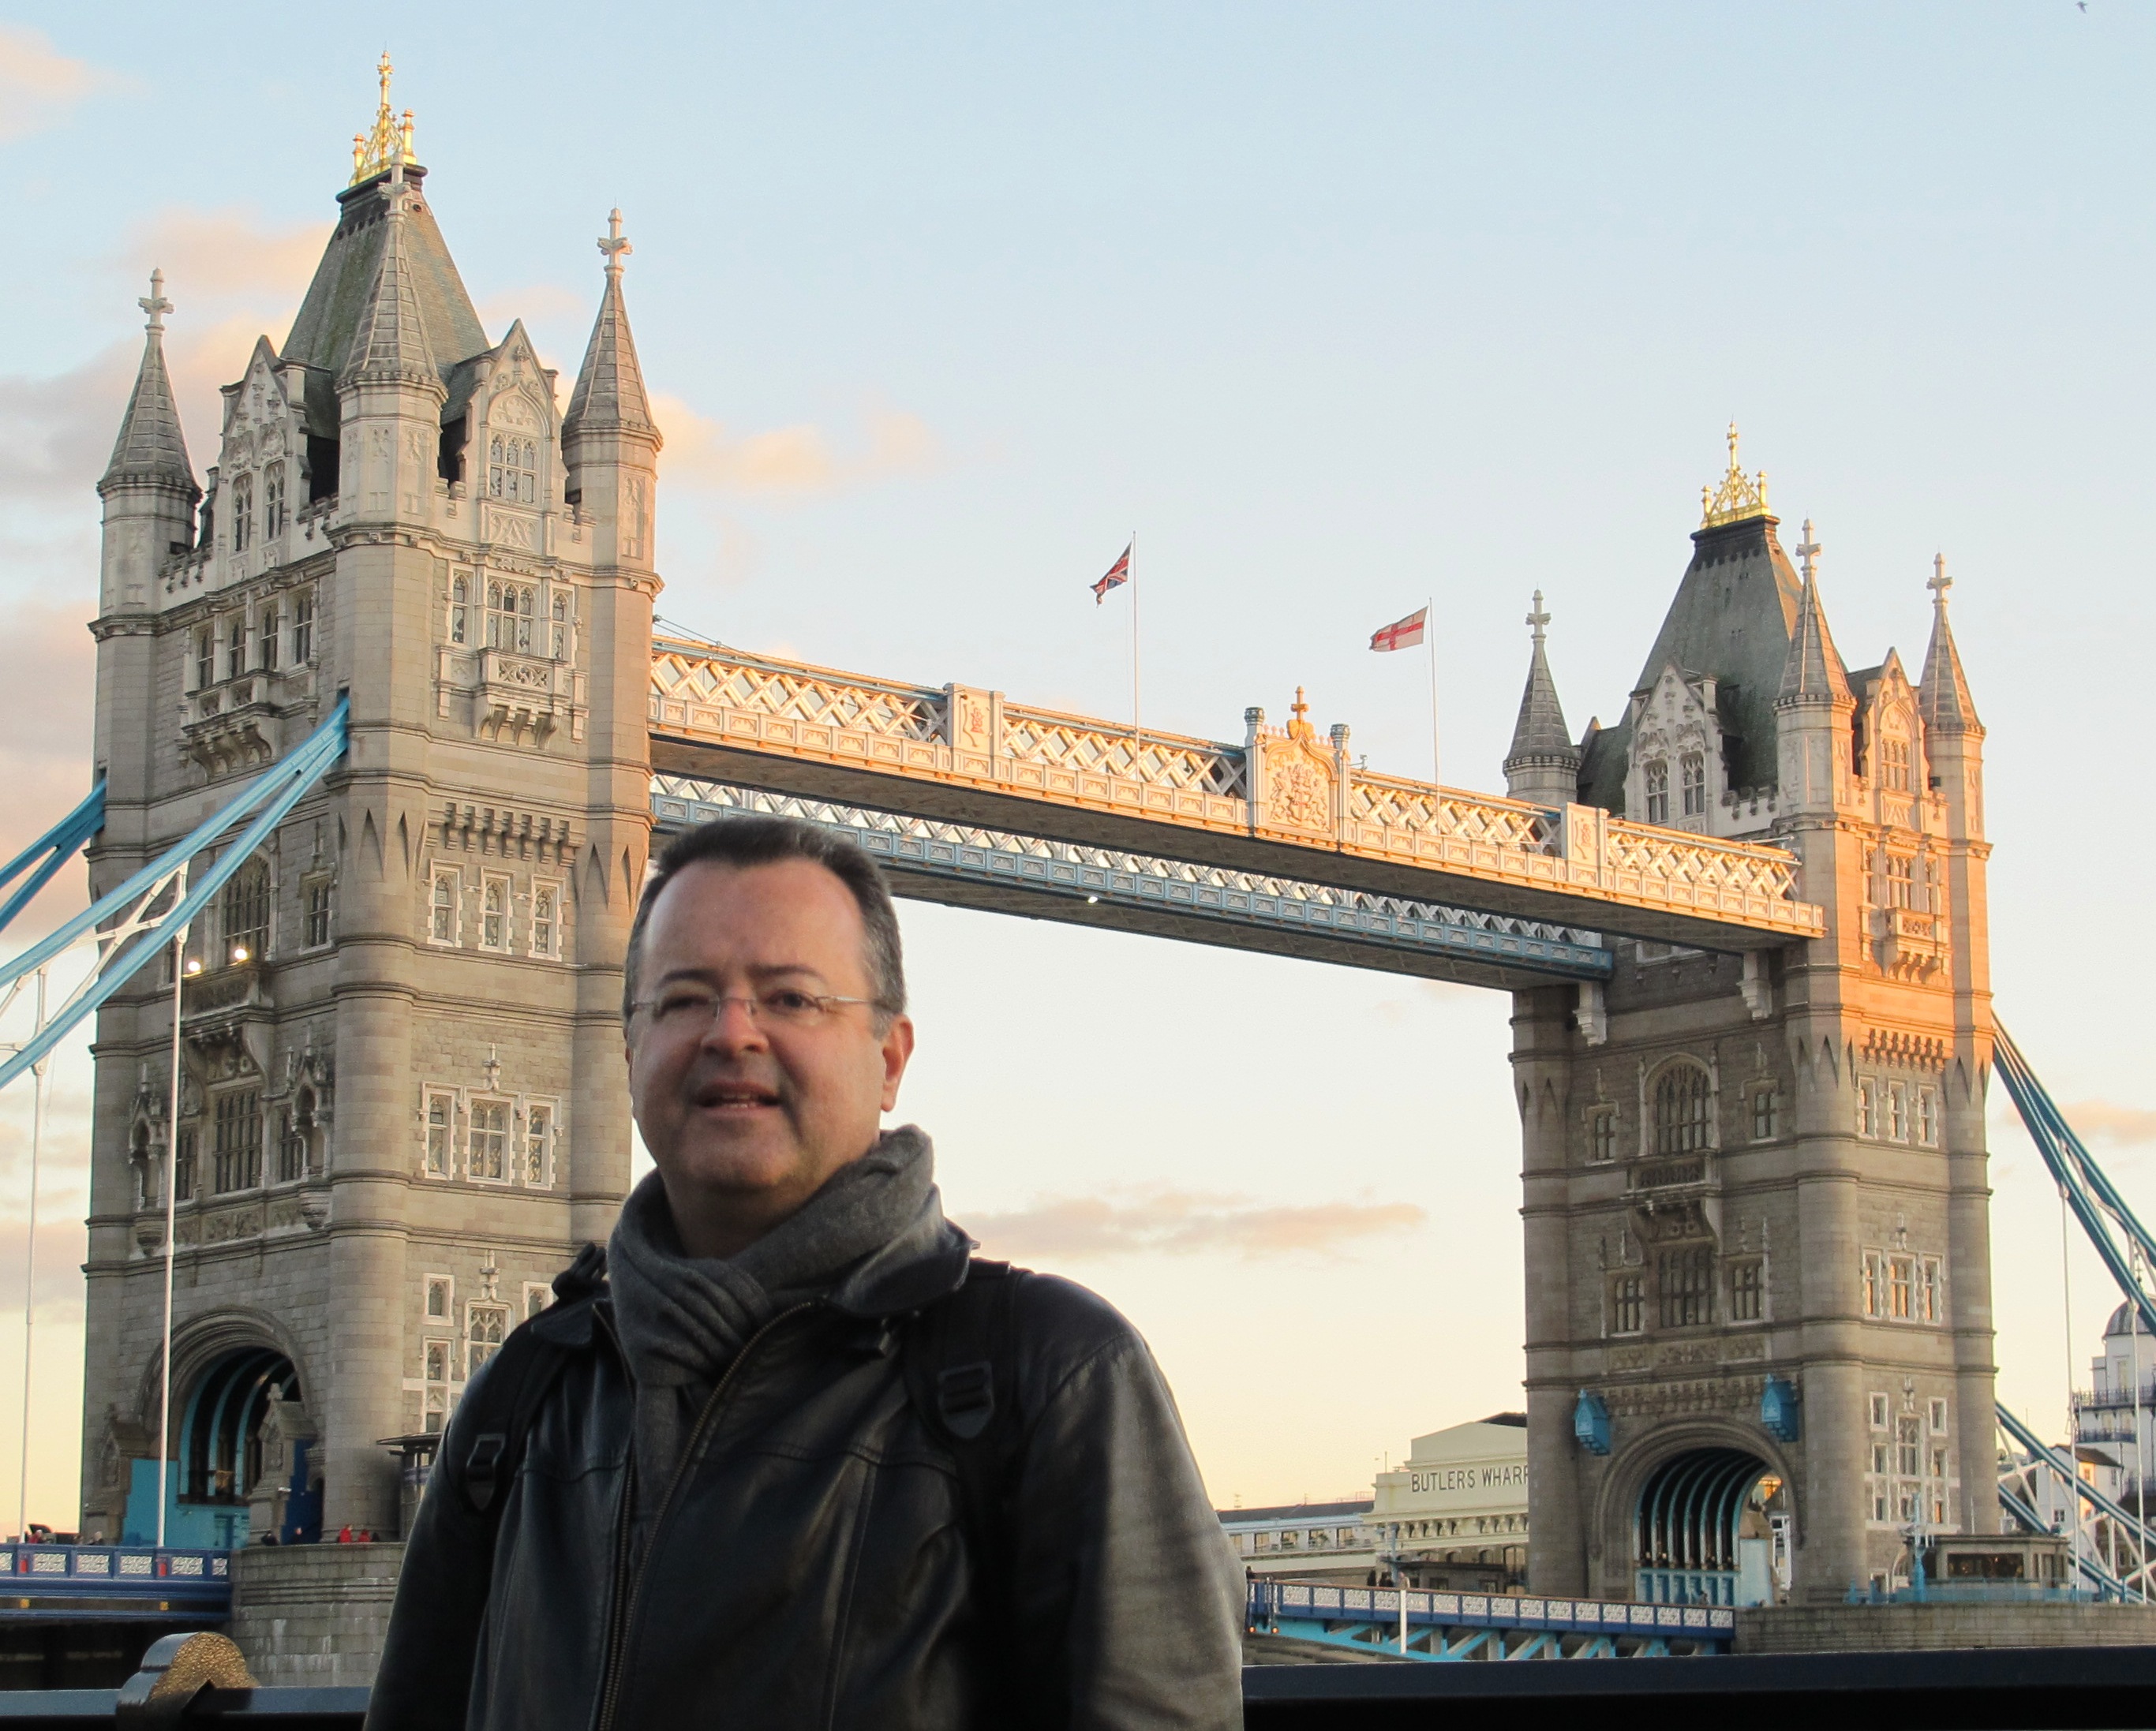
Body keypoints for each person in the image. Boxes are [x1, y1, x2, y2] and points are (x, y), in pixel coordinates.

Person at [369, 816, 1242, 1729]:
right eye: (682, 999)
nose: (730, 1032)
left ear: (889, 1059)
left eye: (789, 998)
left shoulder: (1057, 1376)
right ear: (630, 1055)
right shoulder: (522, 1396)